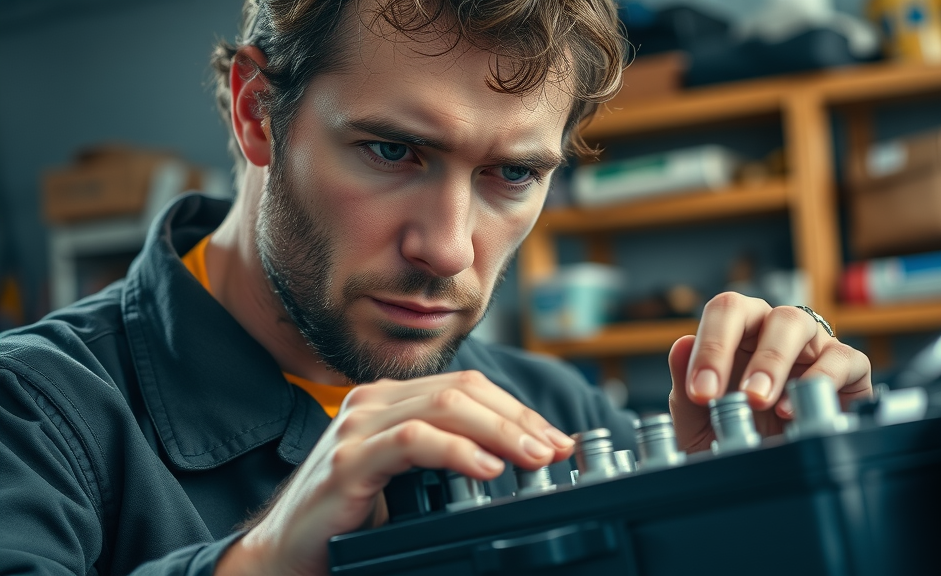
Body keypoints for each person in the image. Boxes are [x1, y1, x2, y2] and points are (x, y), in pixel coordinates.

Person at [0, 0, 873, 574]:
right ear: (256, 113)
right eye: (393, 151)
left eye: (513, 174)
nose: (449, 249)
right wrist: (264, 560)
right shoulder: (32, 412)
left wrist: (741, 511)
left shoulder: (557, 410)